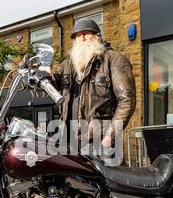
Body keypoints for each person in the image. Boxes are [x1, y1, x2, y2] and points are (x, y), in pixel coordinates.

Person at [43, 18, 136, 151]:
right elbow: (51, 85)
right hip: (69, 142)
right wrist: (46, 70)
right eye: (78, 35)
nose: (82, 38)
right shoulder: (67, 65)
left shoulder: (113, 59)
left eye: (86, 33)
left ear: (97, 36)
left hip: (99, 141)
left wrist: (110, 137)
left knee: (101, 172)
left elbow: (127, 100)